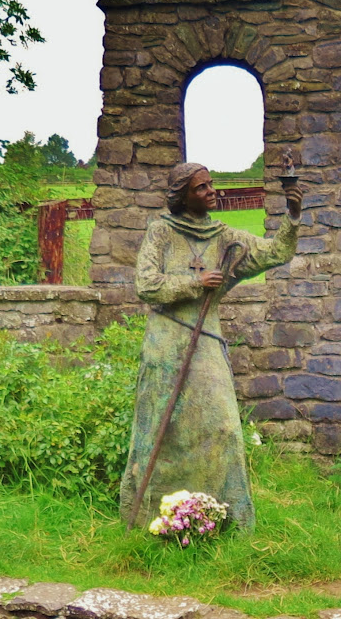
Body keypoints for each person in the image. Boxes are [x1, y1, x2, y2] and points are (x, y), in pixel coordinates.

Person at [120, 162, 302, 532]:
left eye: (211, 185)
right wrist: (195, 281)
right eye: (201, 187)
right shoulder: (161, 232)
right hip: (166, 341)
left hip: (205, 341)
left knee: (223, 428)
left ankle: (224, 520)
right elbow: (146, 284)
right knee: (161, 427)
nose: (211, 191)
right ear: (183, 195)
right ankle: (150, 519)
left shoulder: (225, 237)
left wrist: (293, 216)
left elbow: (275, 253)